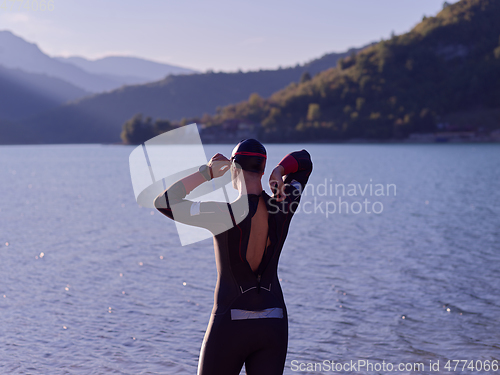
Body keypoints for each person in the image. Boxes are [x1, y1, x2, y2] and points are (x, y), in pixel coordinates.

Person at [154, 139, 313, 375]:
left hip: (231, 321)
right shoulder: (283, 204)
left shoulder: (222, 213)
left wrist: (207, 173)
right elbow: (304, 161)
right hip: (274, 321)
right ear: (262, 169)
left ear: (233, 169)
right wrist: (279, 171)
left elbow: (164, 202)